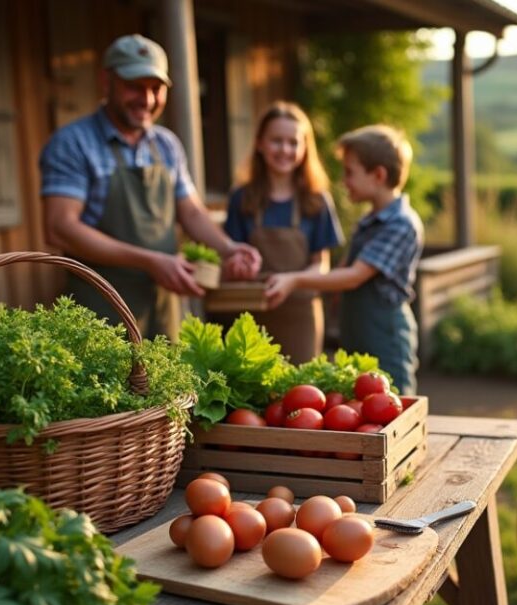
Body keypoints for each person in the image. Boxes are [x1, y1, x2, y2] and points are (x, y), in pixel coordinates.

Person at [39, 34, 260, 340]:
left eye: (156, 89)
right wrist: (151, 261)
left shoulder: (166, 145)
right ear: (107, 82)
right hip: (97, 314)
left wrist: (229, 248)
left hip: (161, 311)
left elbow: (192, 213)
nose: (147, 100)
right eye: (134, 87)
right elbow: (60, 228)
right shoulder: (73, 143)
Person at [265, 125, 424, 393]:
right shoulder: (368, 220)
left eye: (350, 172)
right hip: (358, 332)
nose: (344, 181)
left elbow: (354, 276)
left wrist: (295, 280)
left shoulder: (400, 224)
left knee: (393, 405)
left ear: (378, 175)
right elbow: (344, 269)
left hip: (385, 336)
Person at [222, 102, 344, 363]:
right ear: (260, 143)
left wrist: (293, 280)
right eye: (276, 141)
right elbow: (230, 256)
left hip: (301, 315)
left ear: (304, 148)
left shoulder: (316, 200)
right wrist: (236, 267)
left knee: (300, 392)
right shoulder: (242, 198)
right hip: (251, 315)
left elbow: (320, 266)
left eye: (293, 142)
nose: (285, 150)